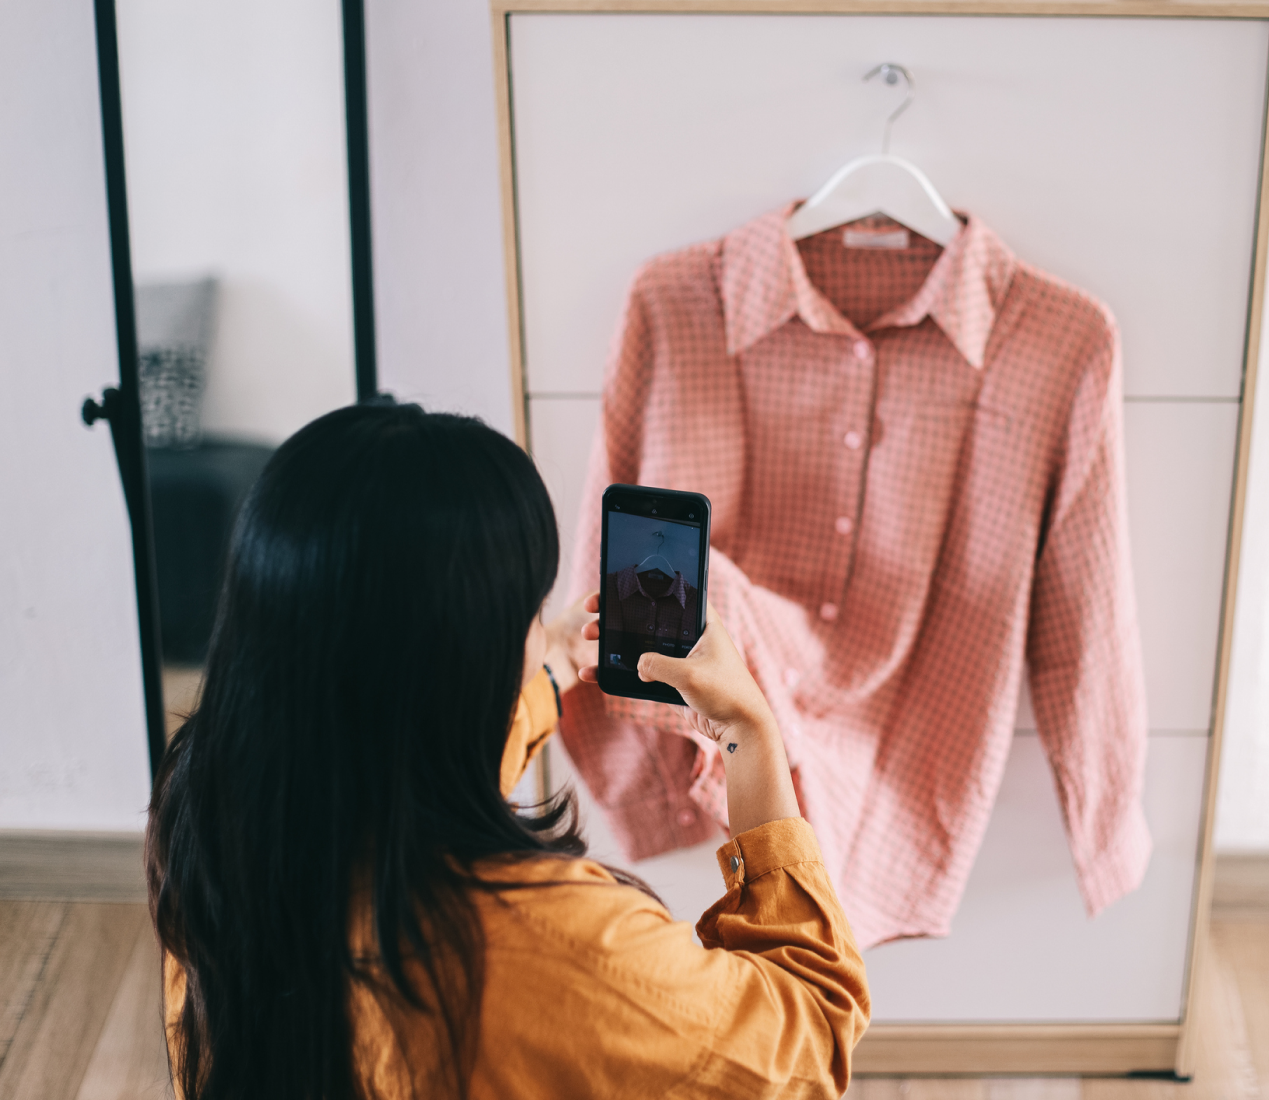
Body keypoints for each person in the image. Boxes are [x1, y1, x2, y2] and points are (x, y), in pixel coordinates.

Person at [146, 404, 869, 1100]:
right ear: (472, 659)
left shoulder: (208, 800)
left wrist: (555, 662)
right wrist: (749, 730)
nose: (535, 632)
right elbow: (811, 1032)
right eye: (528, 613)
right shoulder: (562, 943)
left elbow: (408, 750)